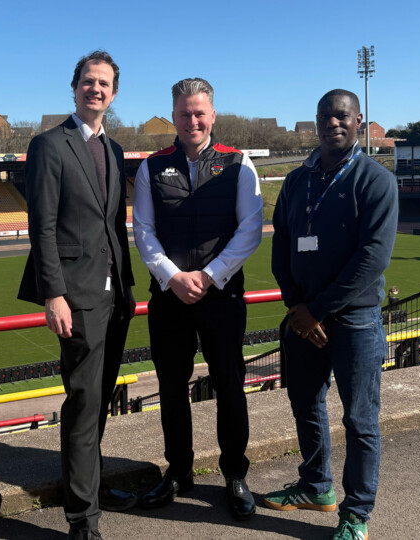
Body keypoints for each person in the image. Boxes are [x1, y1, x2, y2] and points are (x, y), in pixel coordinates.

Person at [265, 89, 397, 540]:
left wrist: (316, 310)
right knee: (305, 403)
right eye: (325, 115)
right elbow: (281, 245)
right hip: (302, 315)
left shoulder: (375, 180)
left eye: (342, 115)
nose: (332, 123)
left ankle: (356, 513)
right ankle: (316, 486)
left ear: (359, 120)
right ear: (316, 121)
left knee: (360, 420)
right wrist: (294, 305)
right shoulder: (298, 181)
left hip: (354, 320)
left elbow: (372, 259)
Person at [17, 50, 136, 540]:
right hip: (77, 296)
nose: (96, 89)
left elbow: (112, 224)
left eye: (105, 83)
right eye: (89, 81)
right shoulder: (49, 144)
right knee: (84, 401)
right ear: (74, 87)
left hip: (115, 295)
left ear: (114, 92)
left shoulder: (113, 148)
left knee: (101, 397)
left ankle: (92, 484)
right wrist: (54, 295)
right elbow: (41, 225)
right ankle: (82, 518)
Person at [133, 77, 263, 520]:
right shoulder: (151, 166)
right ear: (173, 115)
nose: (193, 120)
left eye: (200, 112)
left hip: (221, 297)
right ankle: (179, 471)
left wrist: (208, 276)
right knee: (172, 388)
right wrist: (172, 277)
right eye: (185, 113)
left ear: (213, 115)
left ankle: (235, 474)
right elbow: (143, 232)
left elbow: (250, 230)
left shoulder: (238, 163)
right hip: (169, 298)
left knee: (230, 385)